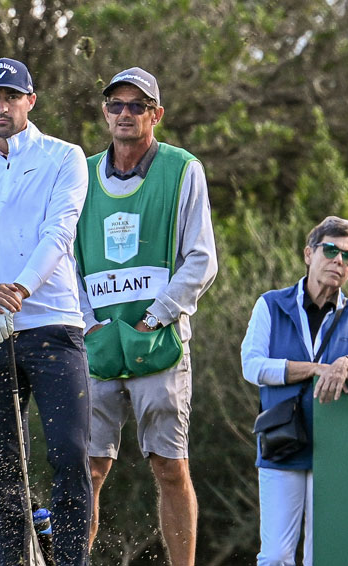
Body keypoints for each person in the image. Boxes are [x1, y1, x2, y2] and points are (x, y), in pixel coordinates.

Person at [0, 56, 97, 564]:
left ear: (31, 100)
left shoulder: (65, 156)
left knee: (69, 456)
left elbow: (60, 230)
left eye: (12, 97)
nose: (1, 106)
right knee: (3, 468)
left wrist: (21, 288)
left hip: (54, 325)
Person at [73, 67, 221, 566]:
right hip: (97, 343)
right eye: (116, 104)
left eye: (138, 105)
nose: (125, 114)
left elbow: (202, 259)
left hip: (158, 343)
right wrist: (88, 321)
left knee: (169, 466)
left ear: (156, 114)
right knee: (87, 469)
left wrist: (153, 318)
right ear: (105, 112)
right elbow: (66, 259)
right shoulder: (81, 172)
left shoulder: (182, 169)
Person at [238, 217, 348, 566]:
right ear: (309, 253)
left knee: (324, 556)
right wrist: (314, 369)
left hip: (337, 446)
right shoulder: (270, 304)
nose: (339, 261)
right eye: (331, 250)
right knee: (275, 556)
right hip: (282, 440)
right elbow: (252, 366)